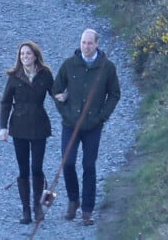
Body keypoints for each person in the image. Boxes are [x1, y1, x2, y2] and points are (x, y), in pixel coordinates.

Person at [52, 28, 120, 226]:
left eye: (90, 43)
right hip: (70, 124)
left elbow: (114, 94)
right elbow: (56, 90)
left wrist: (102, 116)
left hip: (93, 126)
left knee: (89, 166)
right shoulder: (69, 65)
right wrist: (65, 110)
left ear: (97, 44)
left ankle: (88, 211)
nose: (86, 46)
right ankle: (74, 200)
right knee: (68, 162)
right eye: (83, 42)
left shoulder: (107, 67)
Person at [0, 41, 53, 224]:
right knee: (23, 169)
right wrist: (3, 127)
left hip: (39, 126)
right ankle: (26, 211)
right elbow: (5, 103)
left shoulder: (45, 75)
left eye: (28, 54)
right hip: (19, 127)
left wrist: (70, 104)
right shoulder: (14, 77)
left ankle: (39, 207)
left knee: (37, 168)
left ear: (35, 55)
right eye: (22, 54)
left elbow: (57, 94)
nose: (25, 57)